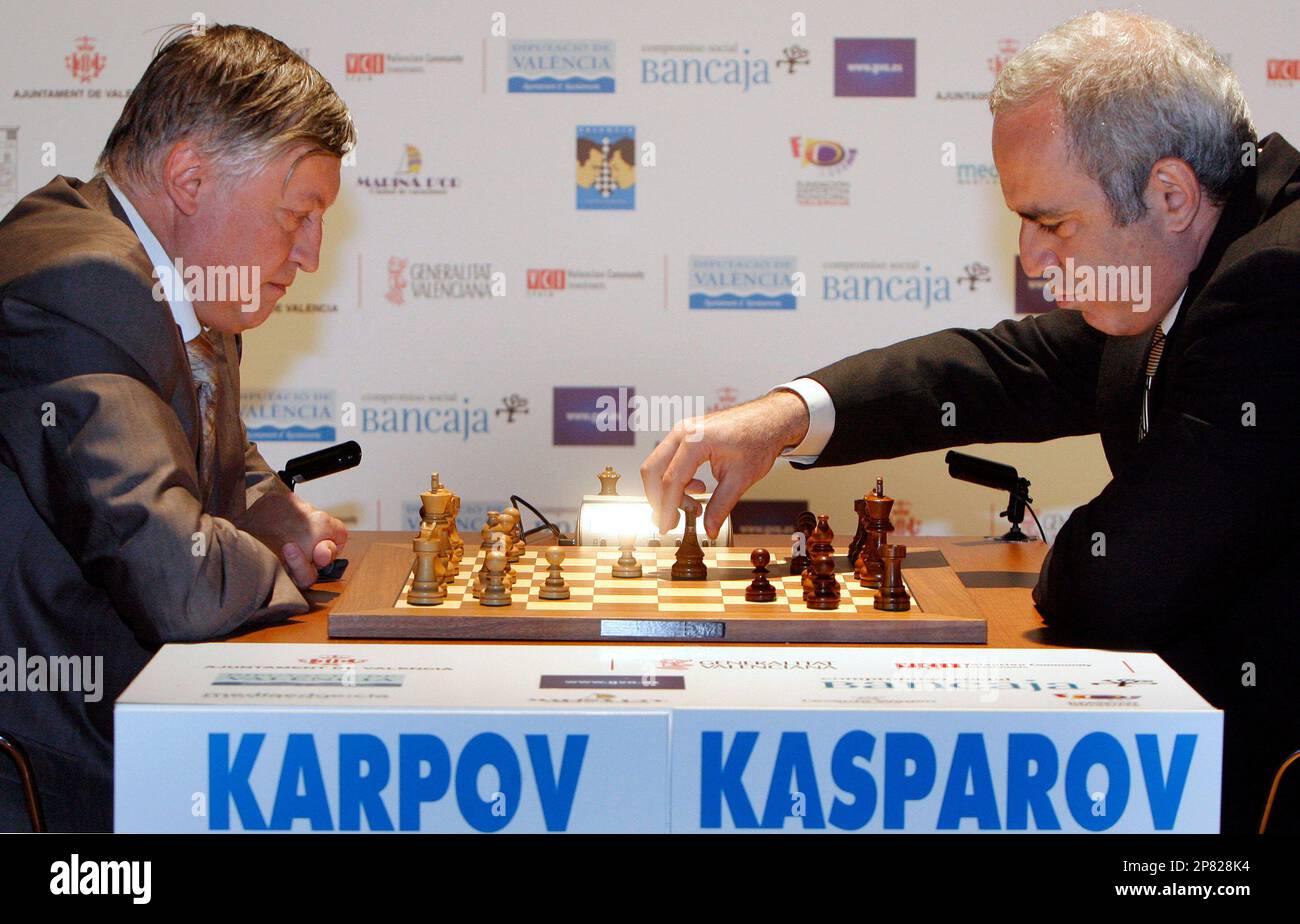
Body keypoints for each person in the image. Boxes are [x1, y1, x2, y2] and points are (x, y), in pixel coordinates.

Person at [641, 11, 1300, 834]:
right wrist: (784, 417)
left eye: (1053, 223)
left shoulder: (1280, 283)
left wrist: (1070, 559)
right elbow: (1010, 367)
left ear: (1169, 193)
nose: (1029, 258)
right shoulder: (1185, 263)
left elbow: (1121, 582)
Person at [0, 25, 353, 831]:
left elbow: (200, 460)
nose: (311, 254)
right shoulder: (80, 278)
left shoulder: (184, 277)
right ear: (191, 178)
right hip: (45, 780)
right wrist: (282, 558)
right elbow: (181, 581)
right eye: (296, 215)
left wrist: (270, 507)